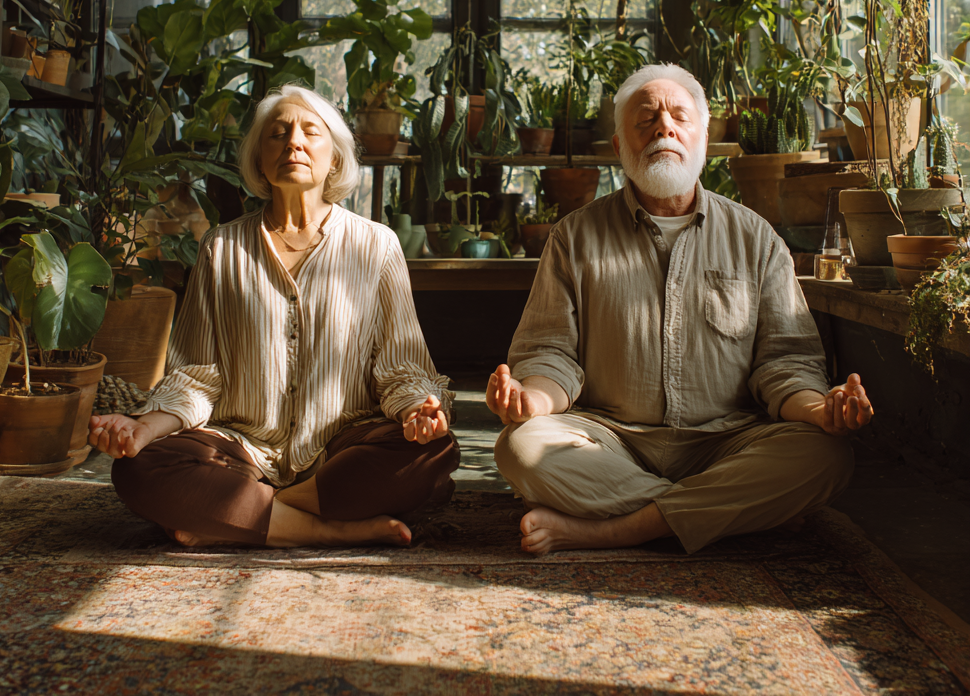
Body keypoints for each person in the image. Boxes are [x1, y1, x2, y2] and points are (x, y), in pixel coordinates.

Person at [488, 64, 874, 556]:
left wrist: (820, 410)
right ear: (619, 146)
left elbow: (786, 361)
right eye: (646, 120)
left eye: (679, 117)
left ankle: (614, 530)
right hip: (610, 440)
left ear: (703, 140)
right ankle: (728, 513)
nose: (664, 128)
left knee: (826, 454)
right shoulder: (574, 236)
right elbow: (550, 352)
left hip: (726, 442)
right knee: (521, 446)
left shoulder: (755, 238)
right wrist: (532, 402)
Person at [89, 84, 459, 549]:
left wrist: (416, 412)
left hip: (342, 448)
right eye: (278, 134)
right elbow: (195, 375)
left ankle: (238, 516)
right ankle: (324, 528)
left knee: (435, 452)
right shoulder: (221, 248)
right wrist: (145, 427)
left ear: (335, 158)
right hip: (239, 449)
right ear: (259, 161)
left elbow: (401, 366)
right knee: (140, 467)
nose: (293, 143)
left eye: (310, 132)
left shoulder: (376, 245)